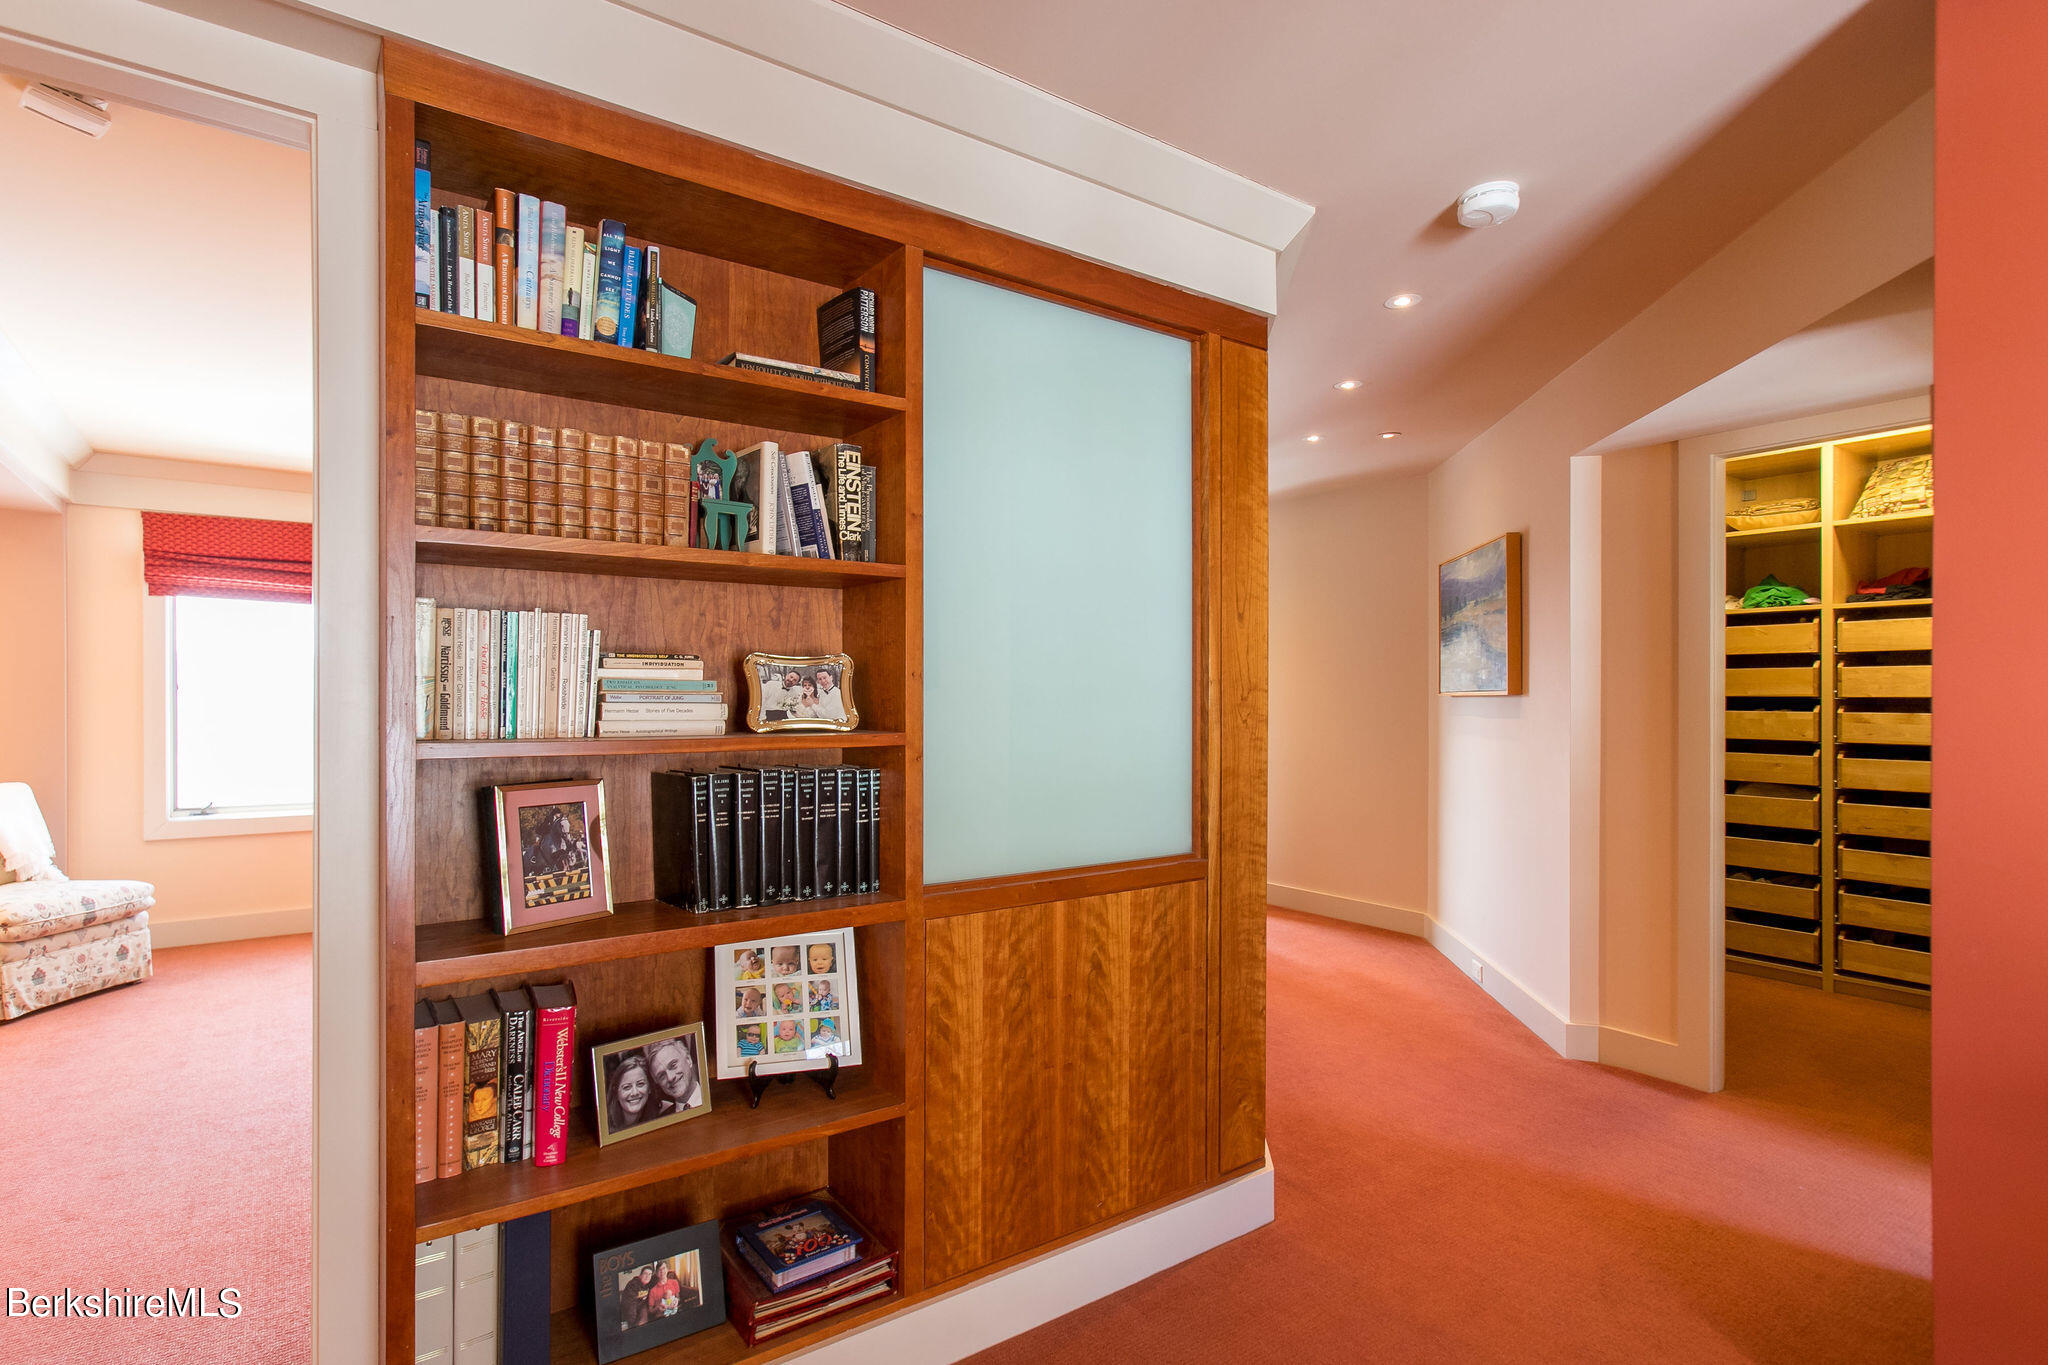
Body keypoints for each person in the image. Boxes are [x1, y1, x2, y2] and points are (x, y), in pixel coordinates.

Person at [647, 1036, 702, 1113]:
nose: (670, 1077)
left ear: (688, 1059)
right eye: (662, 1075)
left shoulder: (714, 1097)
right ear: (657, 1082)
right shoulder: (664, 1119)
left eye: (673, 1065)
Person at [606, 1052, 656, 1131]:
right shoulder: (606, 1126)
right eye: (627, 1087)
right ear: (616, 1092)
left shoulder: (663, 1112)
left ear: (649, 1087)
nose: (635, 1093)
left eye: (640, 1084)